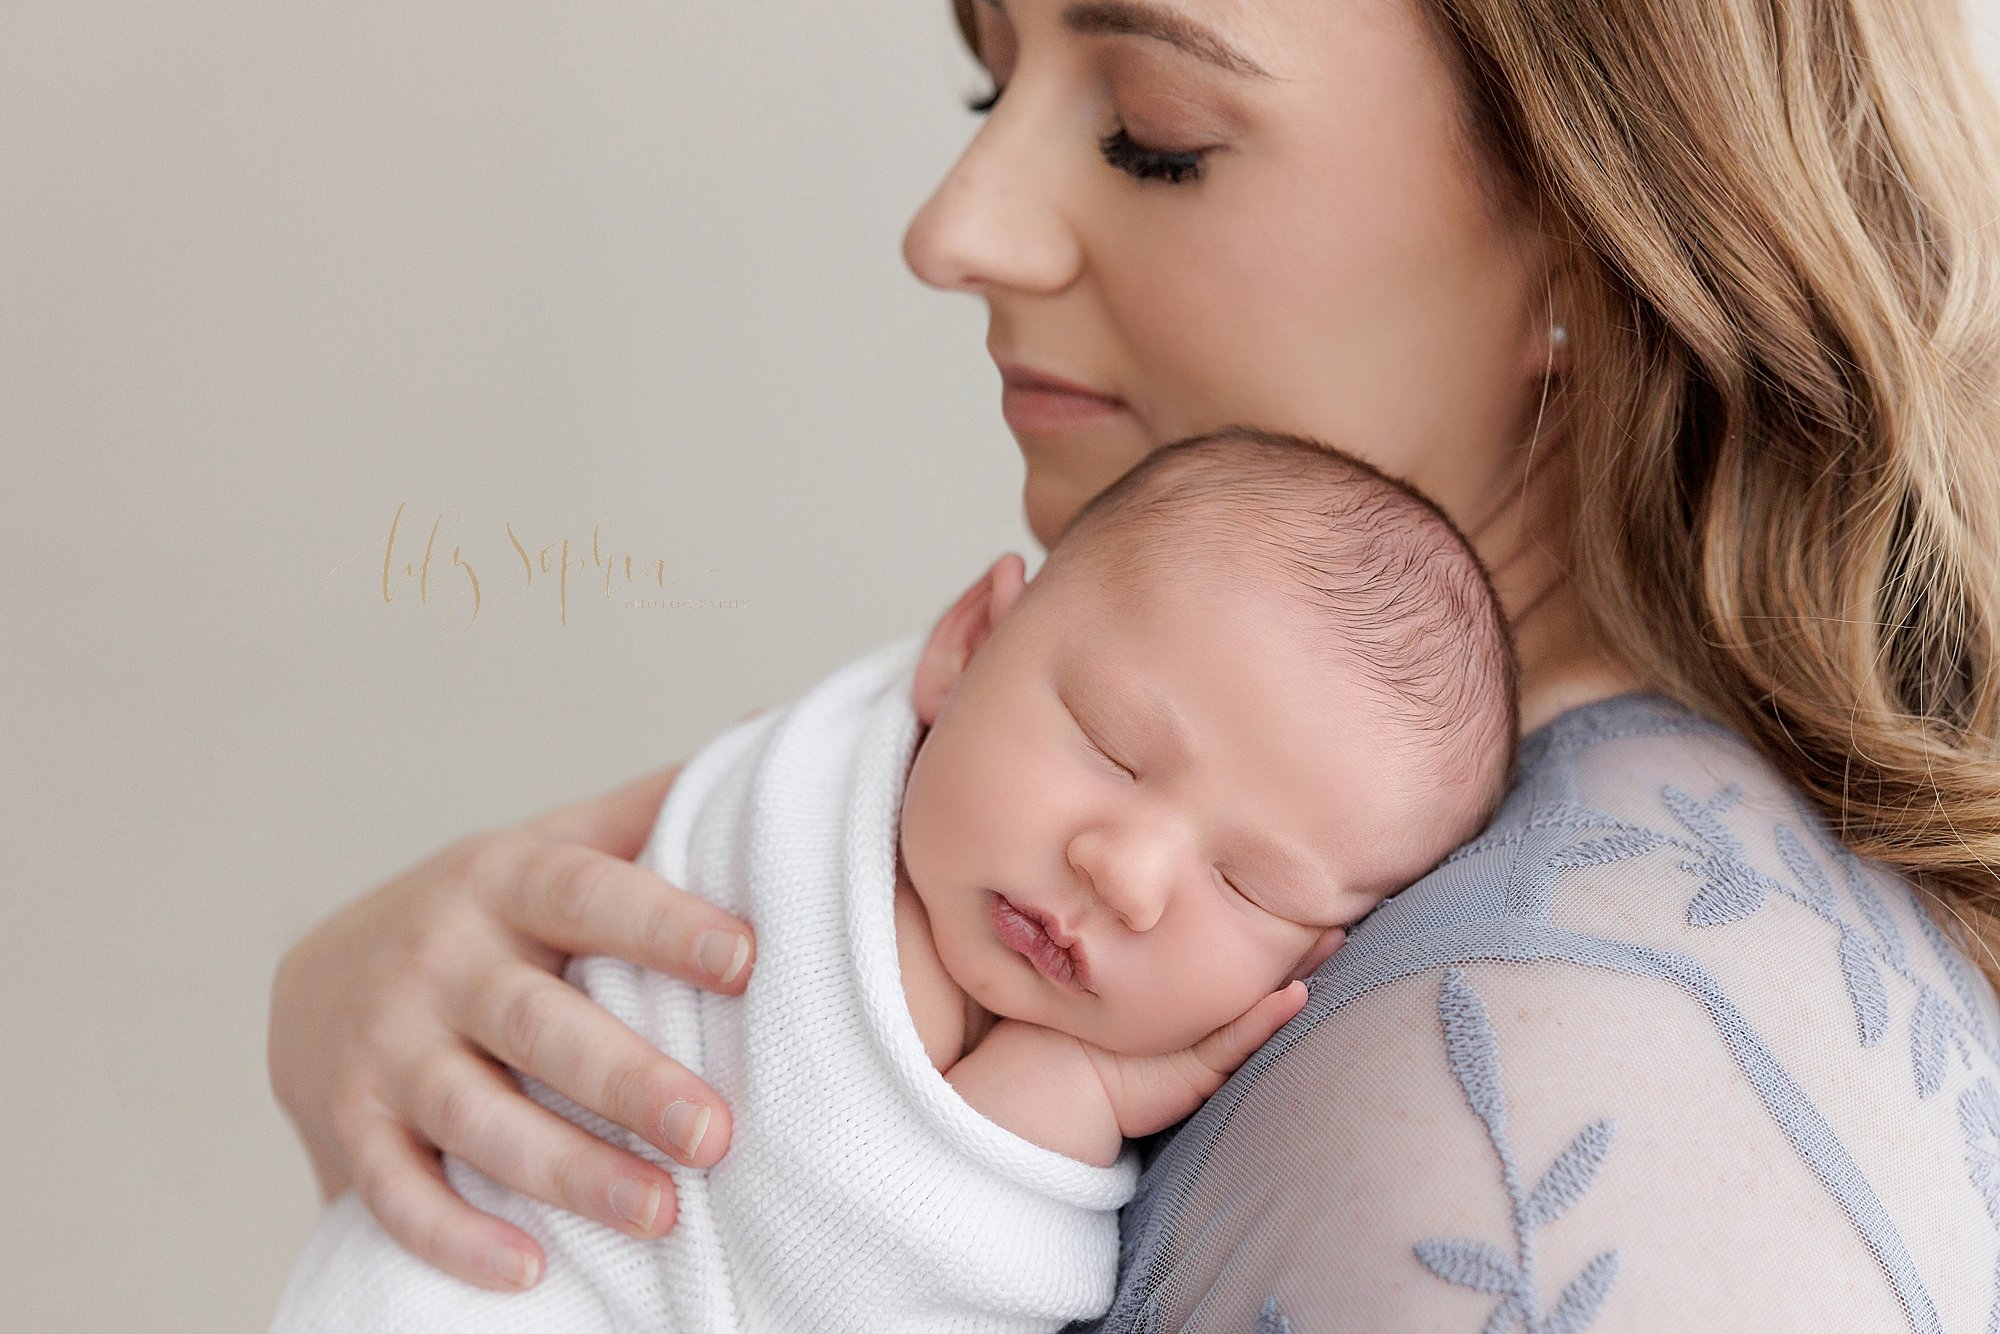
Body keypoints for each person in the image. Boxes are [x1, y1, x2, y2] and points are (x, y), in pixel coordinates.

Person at [267, 0, 2000, 1326]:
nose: (955, 229)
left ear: (1594, 221)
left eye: (1156, 133)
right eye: (986, 79)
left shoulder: (1498, 1103)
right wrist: (364, 1020)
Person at [267, 430, 1517, 1331]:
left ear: (1312, 961)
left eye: (1247, 885)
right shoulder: (799, 830)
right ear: (963, 647)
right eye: (1107, 743)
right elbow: (829, 1269)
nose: (1124, 873)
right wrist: (1056, 1099)